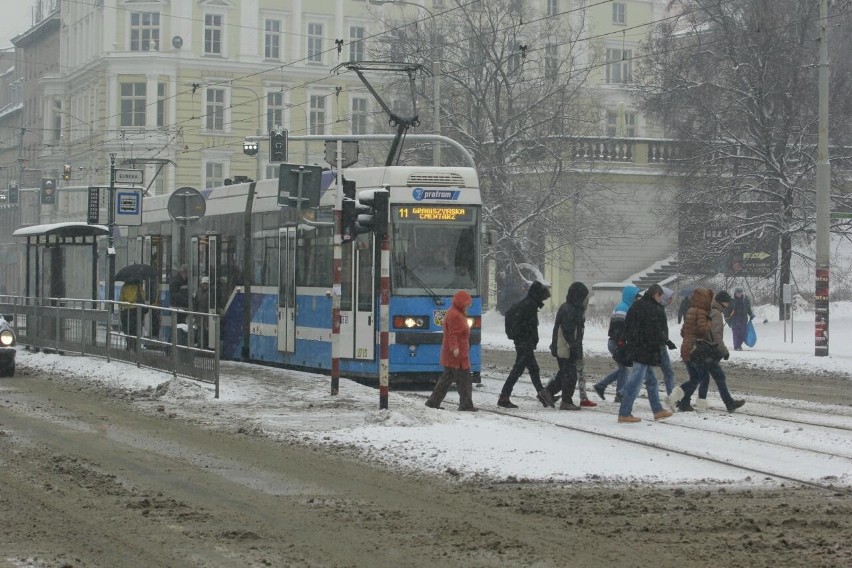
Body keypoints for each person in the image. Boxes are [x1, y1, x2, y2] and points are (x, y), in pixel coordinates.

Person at [670, 291, 745, 413]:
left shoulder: (701, 310)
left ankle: (685, 403)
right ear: (722, 302)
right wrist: (723, 351)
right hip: (708, 350)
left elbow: (685, 331)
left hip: (694, 349)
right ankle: (726, 404)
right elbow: (716, 335)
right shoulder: (716, 313)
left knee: (701, 378)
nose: (728, 304)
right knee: (714, 377)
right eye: (727, 301)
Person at [617, 284, 674, 423]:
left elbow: (629, 326)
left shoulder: (636, 305)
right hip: (645, 352)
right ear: (656, 295)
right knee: (635, 382)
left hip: (636, 349)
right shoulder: (654, 309)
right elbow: (655, 331)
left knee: (652, 381)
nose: (661, 300)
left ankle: (657, 410)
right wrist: (664, 341)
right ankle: (624, 413)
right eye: (661, 297)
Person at [498, 280, 551, 409]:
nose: (544, 299)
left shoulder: (528, 303)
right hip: (524, 342)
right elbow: (530, 327)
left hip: (523, 341)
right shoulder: (530, 305)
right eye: (543, 296)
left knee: (532, 369)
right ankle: (504, 397)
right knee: (518, 370)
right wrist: (531, 341)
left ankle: (542, 395)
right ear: (538, 294)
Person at [425, 290, 476, 411]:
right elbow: (453, 334)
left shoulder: (455, 312)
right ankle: (466, 405)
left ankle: (433, 402)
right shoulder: (456, 315)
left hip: (454, 353)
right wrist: (455, 348)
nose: (469, 305)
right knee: (464, 380)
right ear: (461, 303)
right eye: (467, 303)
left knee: (446, 379)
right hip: (457, 355)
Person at [666, 288, 714, 412]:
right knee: (703, 377)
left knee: (694, 377)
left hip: (686, 347)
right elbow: (703, 329)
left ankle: (684, 403)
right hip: (696, 349)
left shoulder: (690, 311)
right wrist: (709, 322)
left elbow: (683, 332)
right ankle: (677, 397)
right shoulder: (702, 313)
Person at [543, 282, 588, 410]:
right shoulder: (569, 309)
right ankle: (566, 401)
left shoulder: (572, 308)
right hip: (565, 347)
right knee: (570, 375)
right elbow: (568, 331)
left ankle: (548, 393)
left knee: (564, 373)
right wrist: (573, 346)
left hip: (565, 347)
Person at [593, 284, 640, 402]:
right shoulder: (623, 309)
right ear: (630, 296)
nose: (637, 299)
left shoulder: (625, 307)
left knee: (623, 369)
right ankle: (618, 393)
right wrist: (621, 343)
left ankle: (605, 388)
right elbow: (619, 329)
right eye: (635, 296)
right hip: (617, 343)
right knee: (624, 369)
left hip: (618, 342)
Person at [119, 280, 147, 351]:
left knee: (128, 330)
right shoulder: (138, 286)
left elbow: (121, 299)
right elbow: (143, 298)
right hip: (135, 311)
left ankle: (129, 345)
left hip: (126, 311)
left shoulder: (124, 287)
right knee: (136, 330)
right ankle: (135, 347)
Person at [194, 276, 212, 349]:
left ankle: (204, 346)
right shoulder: (198, 292)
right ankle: (201, 346)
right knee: (200, 331)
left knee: (206, 331)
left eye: (206, 284)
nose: (205, 285)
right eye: (204, 283)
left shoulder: (211, 292)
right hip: (200, 313)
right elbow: (195, 303)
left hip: (207, 313)